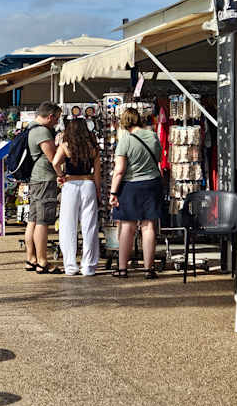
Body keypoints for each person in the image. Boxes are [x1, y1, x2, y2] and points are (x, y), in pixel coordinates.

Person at [109, 107, 164, 279]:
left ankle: (122, 268)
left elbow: (119, 170)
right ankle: (149, 269)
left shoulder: (125, 140)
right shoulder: (153, 136)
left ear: (124, 123)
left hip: (131, 186)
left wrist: (113, 192)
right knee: (149, 226)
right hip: (152, 184)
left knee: (127, 226)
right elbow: (159, 158)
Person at [52, 118, 101, 276]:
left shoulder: (65, 146)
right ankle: (88, 266)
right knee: (89, 226)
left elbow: (55, 163)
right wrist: (98, 191)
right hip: (88, 184)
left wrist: (61, 175)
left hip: (70, 185)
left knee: (68, 225)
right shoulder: (92, 148)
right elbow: (97, 173)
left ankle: (70, 265)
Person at [24, 102, 66, 274]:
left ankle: (31, 259)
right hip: (44, 180)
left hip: (36, 179)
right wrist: (61, 173)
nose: (57, 122)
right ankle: (42, 261)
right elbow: (53, 158)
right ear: (50, 116)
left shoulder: (31, 128)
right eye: (57, 118)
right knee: (42, 222)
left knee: (33, 220)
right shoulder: (42, 131)